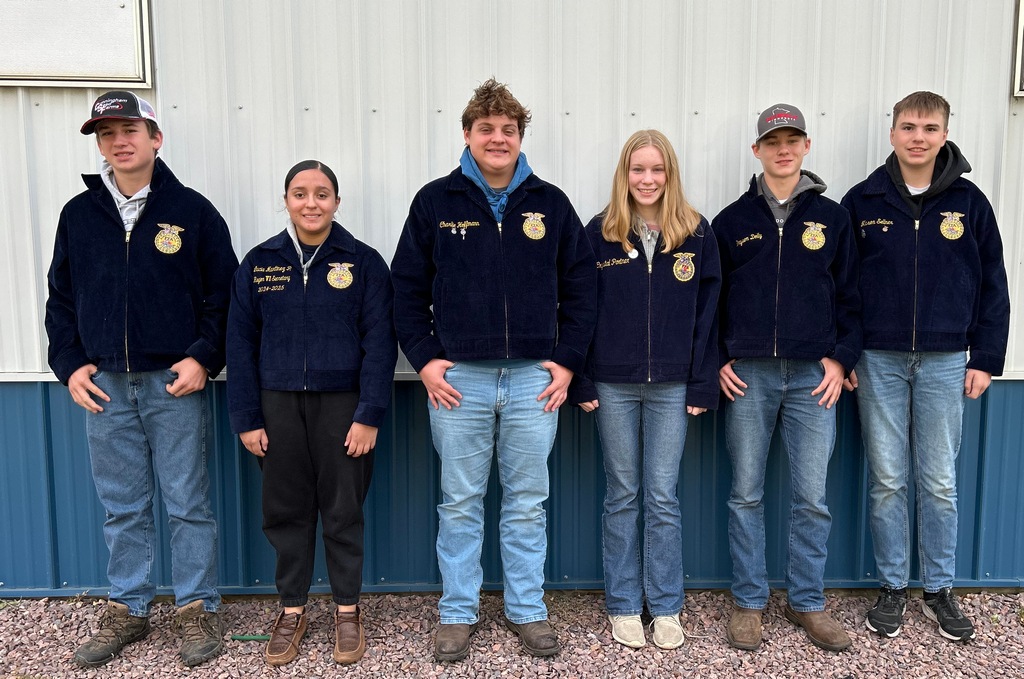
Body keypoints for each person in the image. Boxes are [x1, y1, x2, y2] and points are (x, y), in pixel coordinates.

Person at [390, 78, 597, 661]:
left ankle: (526, 609)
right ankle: (458, 611)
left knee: (527, 500)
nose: (498, 138)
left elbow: (581, 292)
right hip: (460, 383)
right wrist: (427, 361)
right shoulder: (435, 202)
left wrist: (566, 364)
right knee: (459, 500)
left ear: (521, 137)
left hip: (535, 378)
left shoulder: (551, 204)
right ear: (467, 135)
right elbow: (405, 290)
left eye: (508, 129)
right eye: (487, 129)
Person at [44, 91, 237, 668]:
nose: (118, 141)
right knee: (122, 505)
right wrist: (71, 363)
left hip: (172, 385)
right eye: (106, 134)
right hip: (105, 385)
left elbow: (223, 297)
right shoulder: (78, 215)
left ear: (156, 138)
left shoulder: (194, 212)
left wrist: (203, 356)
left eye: (129, 129)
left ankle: (196, 607)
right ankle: (129, 608)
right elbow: (59, 299)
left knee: (187, 502)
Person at [841, 91, 1010, 642]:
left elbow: (993, 286)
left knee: (938, 481)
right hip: (878, 360)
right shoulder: (862, 202)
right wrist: (847, 353)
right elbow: (839, 288)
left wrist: (985, 357)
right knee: (888, 479)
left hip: (944, 360)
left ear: (944, 135)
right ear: (892, 134)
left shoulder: (970, 203)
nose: (919, 137)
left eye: (929, 128)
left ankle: (938, 589)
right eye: (909, 127)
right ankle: (893, 586)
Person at [227, 160, 397, 666]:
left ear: (337, 203)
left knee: (343, 509)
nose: (311, 203)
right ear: (285, 201)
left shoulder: (363, 263)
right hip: (275, 406)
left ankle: (348, 611)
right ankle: (292, 609)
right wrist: (246, 416)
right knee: (286, 511)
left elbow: (381, 344)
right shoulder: (260, 263)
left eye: (322, 194)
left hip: (343, 406)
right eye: (300, 193)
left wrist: (369, 414)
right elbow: (239, 344)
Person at [713, 103, 860, 652]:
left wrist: (842, 359)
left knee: (811, 496)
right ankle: (749, 601)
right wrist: (718, 360)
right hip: (749, 375)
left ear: (806, 146)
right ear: (757, 150)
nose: (783, 148)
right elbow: (712, 301)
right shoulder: (732, 222)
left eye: (793, 139)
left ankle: (808, 601)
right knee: (746, 493)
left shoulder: (834, 218)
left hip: (812, 376)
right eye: (773, 140)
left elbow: (852, 298)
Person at [571, 130, 721, 650]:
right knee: (623, 495)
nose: (648, 179)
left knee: (662, 496)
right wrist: (584, 377)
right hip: (612, 385)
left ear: (670, 174)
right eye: (639, 170)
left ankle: (666, 606)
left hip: (673, 387)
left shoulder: (697, 235)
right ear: (624, 175)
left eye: (657, 170)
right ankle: (622, 604)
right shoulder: (599, 235)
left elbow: (709, 318)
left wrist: (702, 380)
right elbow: (580, 313)